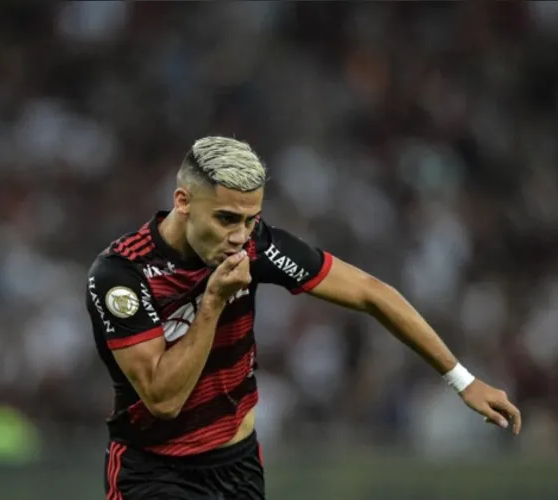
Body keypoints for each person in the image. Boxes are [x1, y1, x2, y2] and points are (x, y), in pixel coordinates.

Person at [86, 136, 522, 499]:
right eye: (225, 219)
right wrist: (214, 301)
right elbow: (163, 400)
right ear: (183, 201)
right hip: (154, 473)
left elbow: (372, 293)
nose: (239, 237)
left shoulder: (254, 245)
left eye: (249, 220)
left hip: (237, 468)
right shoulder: (121, 275)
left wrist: (463, 381)